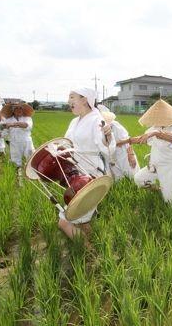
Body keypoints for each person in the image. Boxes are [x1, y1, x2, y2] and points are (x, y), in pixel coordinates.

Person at [58, 87, 115, 239]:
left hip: (92, 175)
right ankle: (95, 246)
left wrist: (107, 137)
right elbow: (67, 143)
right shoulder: (74, 121)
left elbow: (106, 145)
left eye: (71, 97)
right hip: (77, 174)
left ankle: (88, 253)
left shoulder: (97, 120)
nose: (68, 101)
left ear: (84, 100)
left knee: (65, 221)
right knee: (83, 219)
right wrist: (58, 148)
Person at [133, 99, 172, 203]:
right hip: (156, 165)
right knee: (139, 179)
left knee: (170, 201)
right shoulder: (155, 127)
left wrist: (156, 133)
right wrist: (128, 140)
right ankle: (159, 190)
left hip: (171, 167)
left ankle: (171, 189)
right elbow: (145, 137)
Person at [99, 108, 140, 180]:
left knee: (133, 176)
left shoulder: (116, 126)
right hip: (111, 156)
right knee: (118, 180)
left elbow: (127, 140)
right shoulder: (98, 129)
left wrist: (131, 155)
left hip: (123, 152)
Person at [1, 102, 35, 170]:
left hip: (27, 143)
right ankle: (18, 178)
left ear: (23, 110)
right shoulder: (8, 120)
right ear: (12, 110)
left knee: (31, 161)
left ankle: (29, 178)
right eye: (16, 108)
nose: (19, 110)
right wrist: (2, 130)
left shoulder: (27, 118)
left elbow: (26, 125)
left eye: (20, 108)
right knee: (16, 163)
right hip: (14, 143)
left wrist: (12, 124)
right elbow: (4, 134)